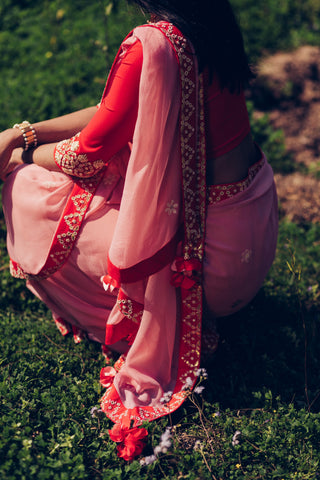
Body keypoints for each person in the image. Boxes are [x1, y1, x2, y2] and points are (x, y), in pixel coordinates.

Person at [0, 0, 278, 460]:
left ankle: (136, 321)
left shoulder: (153, 41)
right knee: (117, 172)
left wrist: (19, 158)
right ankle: (193, 318)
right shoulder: (209, 20)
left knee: (31, 188)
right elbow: (118, 107)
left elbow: (86, 154)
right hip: (253, 233)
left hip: (205, 263)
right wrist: (25, 133)